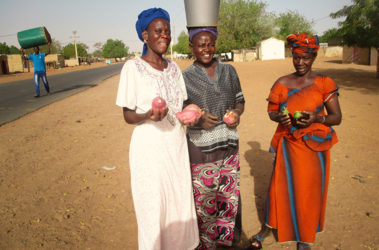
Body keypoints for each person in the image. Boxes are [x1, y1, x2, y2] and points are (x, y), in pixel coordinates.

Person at [246, 32, 342, 250]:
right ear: (292, 55)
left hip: (314, 148)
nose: (300, 62)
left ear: (314, 57)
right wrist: (280, 116)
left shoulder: (324, 83)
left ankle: (304, 237)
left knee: (308, 191)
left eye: (306, 58)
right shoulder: (282, 83)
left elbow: (337, 117)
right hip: (288, 145)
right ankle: (269, 228)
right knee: (279, 188)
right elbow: (271, 111)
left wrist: (317, 118)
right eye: (296, 57)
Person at [115, 8, 199, 250]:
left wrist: (189, 114)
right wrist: (148, 115)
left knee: (178, 202)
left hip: (176, 146)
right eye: (158, 31)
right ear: (145, 36)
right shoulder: (133, 67)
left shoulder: (173, 68)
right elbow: (128, 115)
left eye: (167, 31)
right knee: (153, 206)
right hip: (149, 150)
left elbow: (180, 105)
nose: (164, 36)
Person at [182, 26, 245, 249]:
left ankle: (226, 243)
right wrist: (197, 120)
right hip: (201, 151)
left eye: (210, 44)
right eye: (201, 45)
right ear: (192, 48)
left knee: (228, 202)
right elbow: (181, 112)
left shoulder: (229, 71)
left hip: (229, 148)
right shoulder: (185, 78)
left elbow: (240, 100)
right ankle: (207, 244)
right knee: (205, 205)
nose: (207, 49)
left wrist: (236, 113)